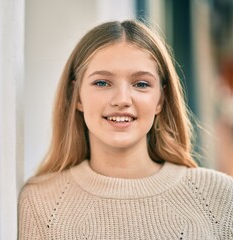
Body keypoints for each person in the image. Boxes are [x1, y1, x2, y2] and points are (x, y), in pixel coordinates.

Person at [18, 20, 233, 239]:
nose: (122, 100)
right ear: (77, 96)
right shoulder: (39, 202)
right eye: (102, 83)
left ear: (161, 99)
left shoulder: (220, 195)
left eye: (141, 84)